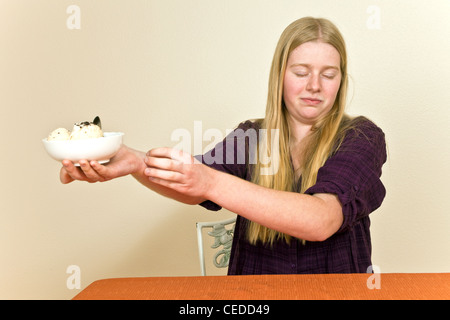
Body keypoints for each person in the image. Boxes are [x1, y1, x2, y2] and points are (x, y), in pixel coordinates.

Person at [60, 17, 386, 274]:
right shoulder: (251, 135)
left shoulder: (361, 137)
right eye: (301, 72)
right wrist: (132, 160)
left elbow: (321, 220)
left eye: (328, 74)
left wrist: (210, 180)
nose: (314, 85)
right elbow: (193, 183)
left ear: (341, 80)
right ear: (280, 76)